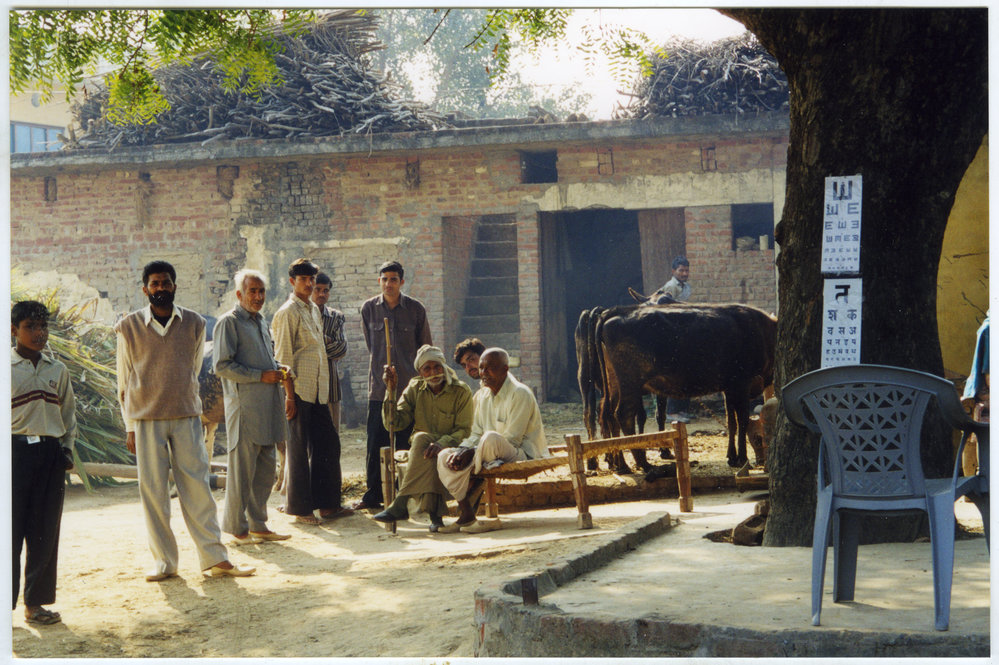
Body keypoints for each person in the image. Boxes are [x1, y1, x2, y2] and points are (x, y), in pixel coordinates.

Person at [115, 260, 254, 580]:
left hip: (187, 417)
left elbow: (192, 371)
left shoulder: (193, 323)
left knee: (198, 490)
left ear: (175, 286)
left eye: (166, 283)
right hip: (146, 419)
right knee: (154, 494)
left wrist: (181, 400)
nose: (160, 288)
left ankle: (214, 559)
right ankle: (165, 563)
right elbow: (123, 381)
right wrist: (130, 426)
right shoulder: (129, 327)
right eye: (155, 284)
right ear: (145, 289)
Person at [213, 269, 292, 545]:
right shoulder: (229, 323)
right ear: (239, 294)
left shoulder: (260, 322)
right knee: (241, 471)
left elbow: (263, 360)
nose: (258, 297)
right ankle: (237, 528)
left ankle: (258, 524)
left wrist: (277, 369)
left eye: (261, 292)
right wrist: (260, 376)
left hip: (268, 406)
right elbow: (221, 366)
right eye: (252, 291)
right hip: (245, 409)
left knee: (265, 469)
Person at [271, 258, 352, 525]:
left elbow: (322, 351)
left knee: (329, 443)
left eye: (311, 280)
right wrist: (289, 396)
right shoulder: (286, 313)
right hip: (298, 391)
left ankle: (328, 505)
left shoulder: (314, 310)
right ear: (292, 282)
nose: (308, 284)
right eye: (303, 280)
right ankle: (300, 509)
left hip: (319, 390)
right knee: (296, 449)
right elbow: (283, 358)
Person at [11, 300, 77, 625]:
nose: (38, 333)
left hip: (50, 457)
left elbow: (68, 415)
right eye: (30, 327)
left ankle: (35, 605)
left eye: (42, 327)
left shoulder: (57, 370)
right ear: (13, 331)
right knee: (7, 533)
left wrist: (66, 449)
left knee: (44, 532)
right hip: (12, 456)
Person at [436, 348, 549, 533]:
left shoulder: (520, 393)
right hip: (488, 455)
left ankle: (469, 485)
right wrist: (461, 451)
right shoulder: (481, 396)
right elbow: (475, 434)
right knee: (444, 456)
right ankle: (467, 514)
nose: (483, 373)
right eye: (481, 368)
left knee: (489, 438)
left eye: (490, 368)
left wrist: (472, 452)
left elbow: (512, 440)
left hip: (522, 454)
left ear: (505, 369)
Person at [355, 260, 433, 510]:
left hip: (409, 390)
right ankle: (373, 495)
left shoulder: (415, 309)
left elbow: (425, 349)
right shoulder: (369, 309)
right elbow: (372, 347)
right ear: (379, 281)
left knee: (406, 442)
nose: (389, 284)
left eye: (394, 279)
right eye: (384, 279)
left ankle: (406, 493)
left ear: (401, 282)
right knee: (375, 441)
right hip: (379, 389)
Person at [373, 345, 474, 532]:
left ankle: (401, 502)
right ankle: (435, 517)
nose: (433, 373)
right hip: (424, 450)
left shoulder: (461, 391)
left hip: (453, 447)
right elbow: (393, 423)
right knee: (424, 446)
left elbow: (464, 432)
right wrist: (391, 390)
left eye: (437, 367)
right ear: (420, 372)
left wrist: (442, 443)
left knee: (423, 443)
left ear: (443, 367)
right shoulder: (415, 388)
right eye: (427, 369)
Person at [656, 256, 693, 422]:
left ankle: (682, 409)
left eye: (686, 270)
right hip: (671, 332)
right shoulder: (670, 287)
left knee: (686, 371)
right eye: (681, 270)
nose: (684, 273)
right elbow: (665, 309)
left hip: (682, 331)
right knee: (674, 373)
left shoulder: (686, 287)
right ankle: (671, 412)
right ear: (673, 271)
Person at [311, 272, 347, 431]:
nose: (321, 294)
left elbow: (341, 348)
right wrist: (326, 340)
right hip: (308, 387)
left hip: (331, 386)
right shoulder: (302, 315)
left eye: (325, 290)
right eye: (317, 289)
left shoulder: (336, 316)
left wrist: (314, 344)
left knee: (332, 436)